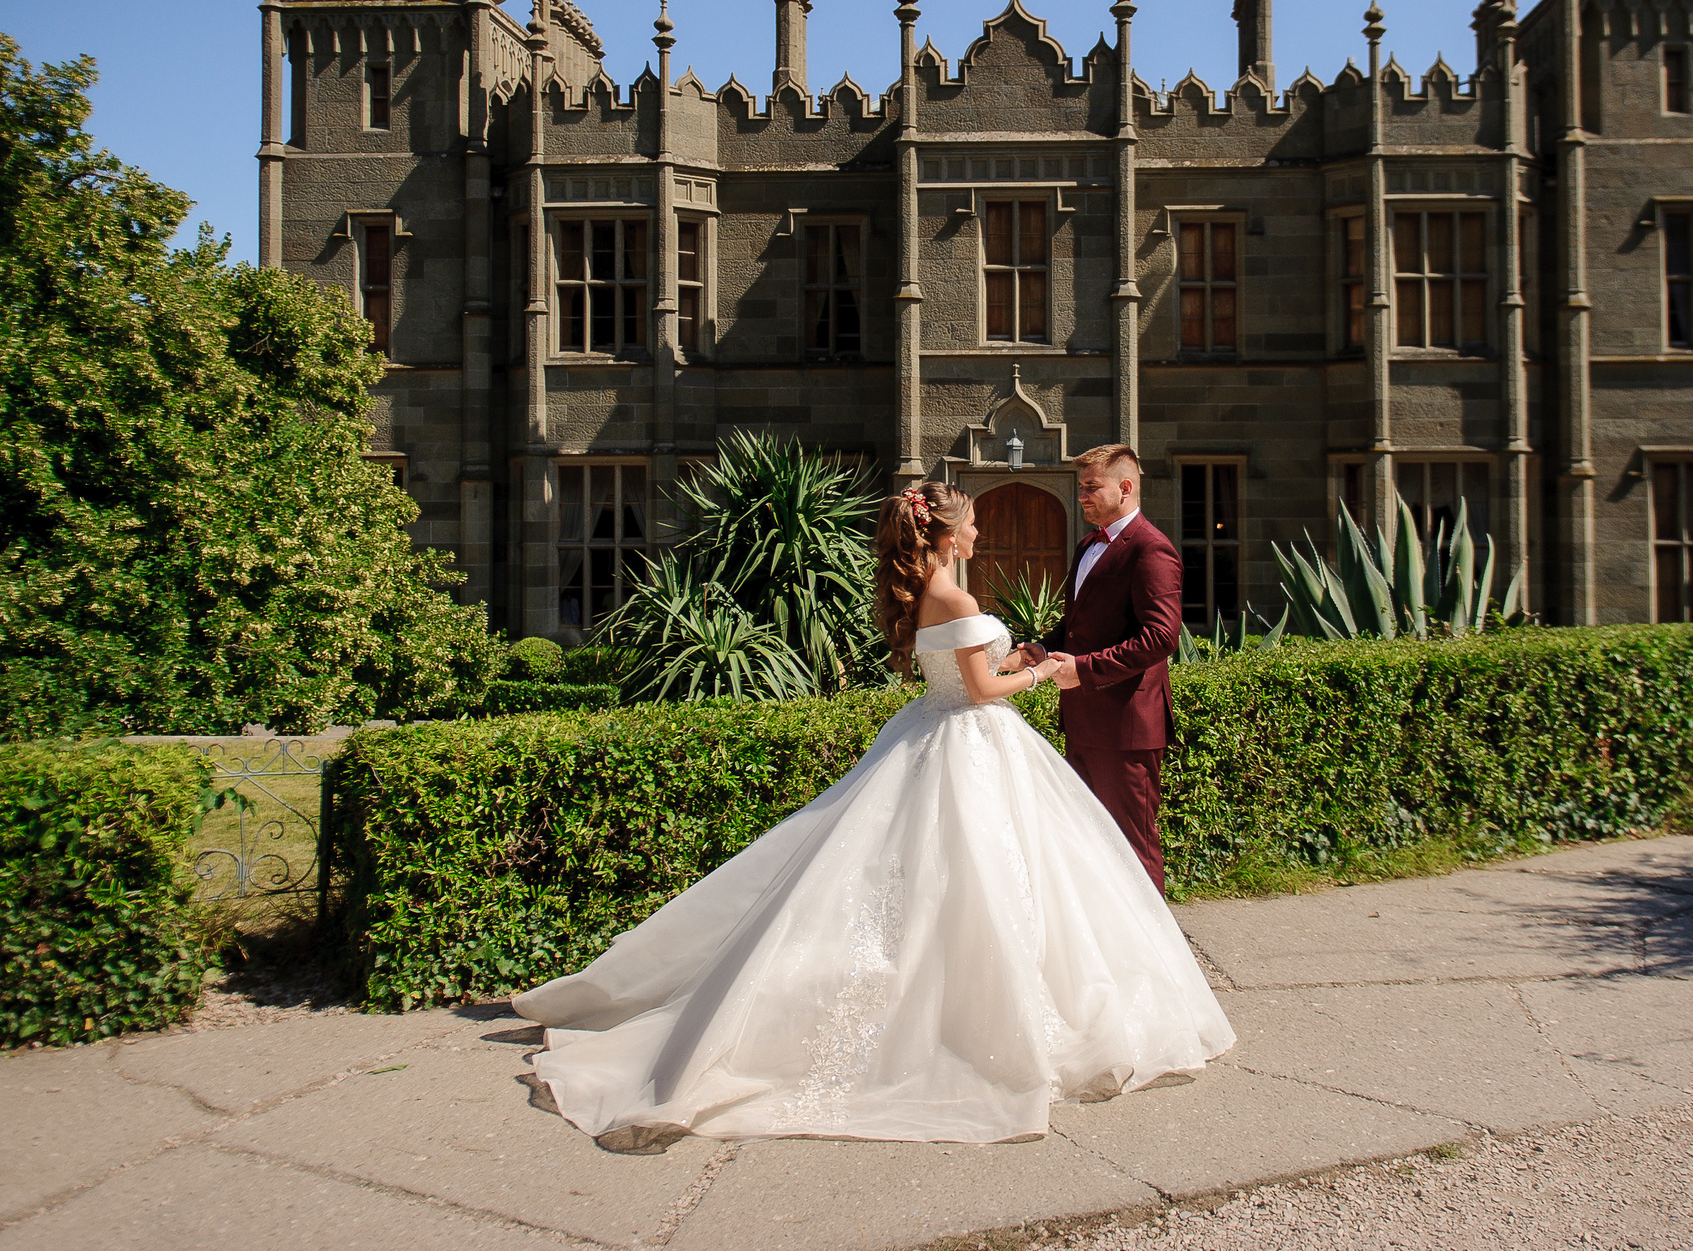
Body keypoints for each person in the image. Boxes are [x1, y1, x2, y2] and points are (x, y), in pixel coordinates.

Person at [511, 480, 1233, 1152]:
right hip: (970, 740)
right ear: (948, 536)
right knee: (980, 881)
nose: (981, 529)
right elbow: (982, 690)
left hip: (945, 737)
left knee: (958, 881)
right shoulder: (950, 599)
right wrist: (1043, 671)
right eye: (974, 522)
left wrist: (1026, 650)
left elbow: (970, 669)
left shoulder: (937, 592)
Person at [1018, 443, 1181, 891]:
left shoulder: (1151, 549)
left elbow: (1162, 637)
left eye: (1092, 487)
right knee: (1090, 842)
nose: (1082, 496)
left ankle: (1156, 954)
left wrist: (1085, 670)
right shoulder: (1089, 544)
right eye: (1080, 486)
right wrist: (1041, 647)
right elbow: (1077, 624)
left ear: (1125, 487)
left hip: (1126, 725)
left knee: (1133, 844)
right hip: (1083, 718)